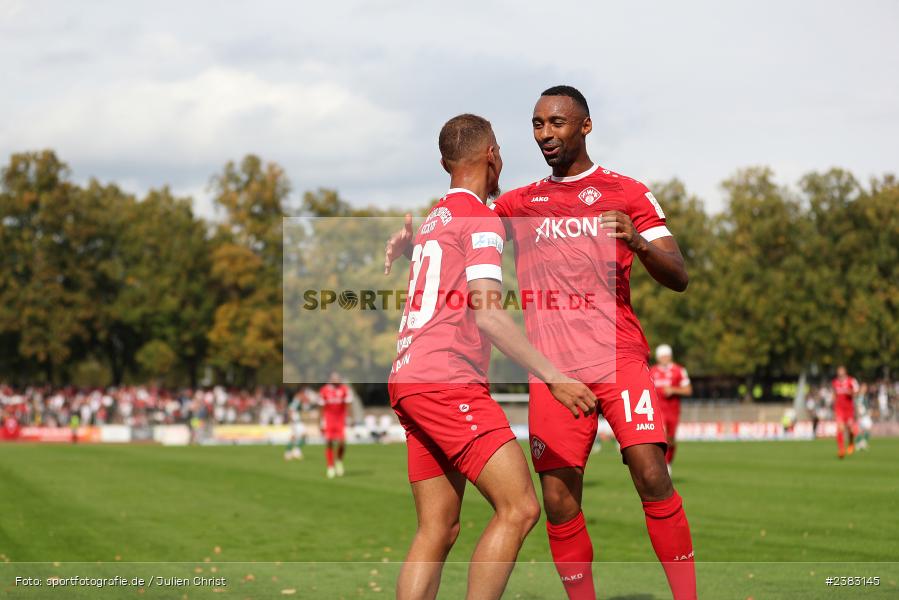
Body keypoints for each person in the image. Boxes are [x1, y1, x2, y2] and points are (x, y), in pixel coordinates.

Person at [386, 86, 696, 599]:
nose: (545, 134)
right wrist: (418, 236)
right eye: (536, 124)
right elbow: (465, 224)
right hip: (552, 369)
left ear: (585, 126)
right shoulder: (519, 203)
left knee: (650, 472)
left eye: (556, 123)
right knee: (553, 500)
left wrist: (638, 243)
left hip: (618, 358)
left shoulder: (629, 192)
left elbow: (679, 273)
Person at [388, 113, 596, 600]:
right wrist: (555, 377)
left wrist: (409, 248)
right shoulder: (480, 219)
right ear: (493, 154)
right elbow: (489, 315)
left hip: (408, 378)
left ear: (444, 163)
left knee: (437, 529)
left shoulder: (439, 217)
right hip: (447, 382)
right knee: (520, 506)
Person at [649, 344, 693, 475]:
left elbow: (688, 390)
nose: (665, 358)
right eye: (662, 356)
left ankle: (668, 462)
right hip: (657, 409)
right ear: (658, 357)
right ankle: (661, 464)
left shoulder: (679, 370)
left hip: (673, 410)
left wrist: (673, 390)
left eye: (667, 355)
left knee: (671, 439)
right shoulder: (652, 371)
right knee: (662, 435)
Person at [319, 372, 351, 477]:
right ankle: (330, 466)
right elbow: (321, 407)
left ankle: (339, 461)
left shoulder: (344, 389)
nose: (337, 379)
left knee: (342, 442)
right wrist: (320, 421)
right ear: (330, 379)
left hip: (341, 420)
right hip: (329, 420)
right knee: (329, 442)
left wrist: (349, 418)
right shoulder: (324, 390)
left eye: (338, 378)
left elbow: (348, 404)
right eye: (335, 378)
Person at [831, 365, 859, 459]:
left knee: (851, 429)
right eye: (839, 374)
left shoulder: (851, 381)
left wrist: (850, 392)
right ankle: (841, 450)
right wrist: (832, 404)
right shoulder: (835, 382)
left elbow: (856, 393)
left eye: (842, 374)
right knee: (840, 428)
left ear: (845, 373)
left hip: (849, 409)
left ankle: (851, 443)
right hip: (839, 409)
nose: (840, 376)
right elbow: (834, 394)